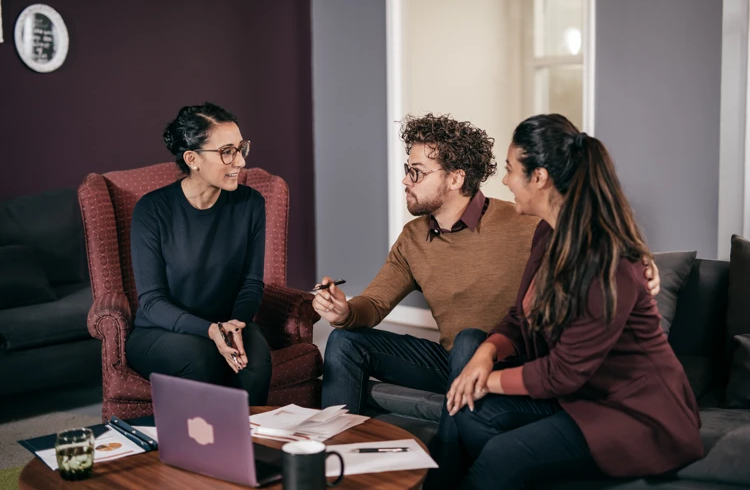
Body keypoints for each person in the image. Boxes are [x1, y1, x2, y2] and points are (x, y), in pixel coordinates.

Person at [425, 114, 703, 489]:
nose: (504, 181)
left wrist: (486, 381)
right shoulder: (547, 232)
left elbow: (563, 372)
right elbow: (519, 319)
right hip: (579, 396)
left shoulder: (606, 259)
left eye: (510, 170)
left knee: (502, 455)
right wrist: (484, 354)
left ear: (538, 177)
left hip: (635, 412)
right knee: (468, 414)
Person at [314, 113, 660, 415]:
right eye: (408, 170)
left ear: (455, 178)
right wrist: (344, 312)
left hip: (509, 359)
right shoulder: (413, 237)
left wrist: (643, 258)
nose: (405, 180)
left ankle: (449, 469)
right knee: (346, 341)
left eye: (416, 173)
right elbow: (374, 303)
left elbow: (593, 236)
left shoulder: (524, 221)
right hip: (452, 361)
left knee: (470, 340)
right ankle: (328, 454)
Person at [125, 102, 272, 406]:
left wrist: (235, 325)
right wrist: (209, 330)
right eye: (227, 151)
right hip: (160, 332)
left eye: (241, 148)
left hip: (229, 323)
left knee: (255, 361)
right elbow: (152, 302)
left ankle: (252, 450)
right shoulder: (152, 210)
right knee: (202, 357)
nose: (240, 161)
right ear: (192, 159)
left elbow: (251, 282)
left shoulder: (251, 204)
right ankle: (200, 451)